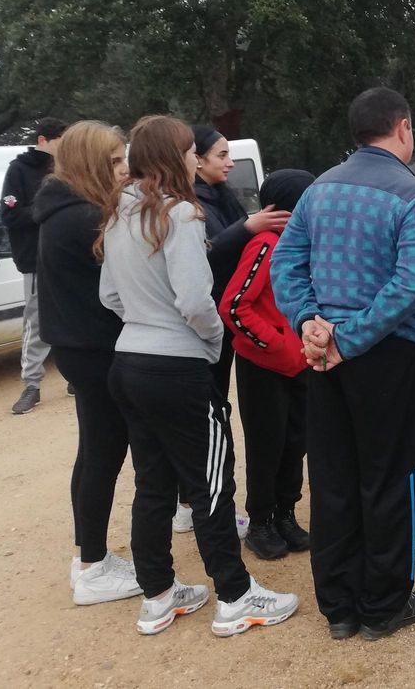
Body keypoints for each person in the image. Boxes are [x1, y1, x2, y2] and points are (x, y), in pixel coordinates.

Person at [99, 115, 297, 637]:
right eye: (190, 150)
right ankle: (235, 596)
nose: (196, 158)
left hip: (129, 361)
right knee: (212, 482)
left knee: (153, 484)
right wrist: (210, 342)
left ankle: (158, 595)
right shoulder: (181, 214)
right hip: (177, 366)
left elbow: (110, 297)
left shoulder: (118, 214)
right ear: (173, 156)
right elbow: (194, 300)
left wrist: (148, 317)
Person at [271, 87, 415, 642]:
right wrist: (348, 337)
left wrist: (309, 323)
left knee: (335, 475)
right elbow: (412, 284)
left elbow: (286, 263)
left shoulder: (319, 189)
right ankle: (383, 604)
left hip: (324, 357)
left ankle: (339, 606)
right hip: (386, 357)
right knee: (392, 478)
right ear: (402, 128)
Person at [33, 120, 141, 605]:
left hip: (80, 349)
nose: (125, 169)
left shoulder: (66, 211)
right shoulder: (84, 219)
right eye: (115, 161)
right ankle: (94, 566)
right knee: (103, 453)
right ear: (91, 165)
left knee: (95, 451)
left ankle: (91, 558)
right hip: (96, 351)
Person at [175, 127, 285, 536]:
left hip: (222, 318)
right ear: (197, 159)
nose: (230, 162)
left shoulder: (220, 195)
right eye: (221, 154)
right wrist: (247, 228)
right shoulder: (188, 205)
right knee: (207, 412)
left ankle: (195, 499)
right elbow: (202, 255)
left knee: (215, 407)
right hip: (210, 320)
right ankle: (195, 502)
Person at [219, 169, 315, 562]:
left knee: (296, 443)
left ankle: (286, 514)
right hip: (265, 366)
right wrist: (275, 345)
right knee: (266, 447)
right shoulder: (264, 244)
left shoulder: (302, 243)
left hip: (300, 365)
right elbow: (234, 306)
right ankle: (260, 521)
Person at [4, 116, 68, 415]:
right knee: (37, 322)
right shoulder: (18, 170)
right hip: (35, 260)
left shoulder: (66, 167)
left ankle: (74, 377)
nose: (64, 147)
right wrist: (46, 210)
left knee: (75, 315)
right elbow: (11, 216)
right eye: (60, 140)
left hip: (68, 255)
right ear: (43, 140)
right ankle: (32, 385)